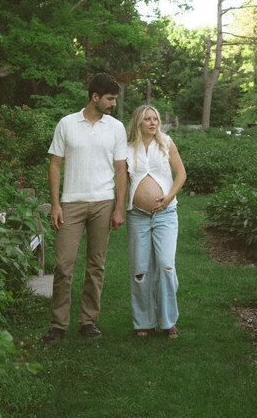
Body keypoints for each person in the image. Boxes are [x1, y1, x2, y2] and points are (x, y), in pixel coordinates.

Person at [41, 72, 127, 343]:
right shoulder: (67, 124)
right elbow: (55, 164)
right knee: (64, 265)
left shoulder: (116, 128)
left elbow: (121, 169)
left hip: (103, 202)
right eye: (110, 99)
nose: (113, 104)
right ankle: (58, 325)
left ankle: (88, 321)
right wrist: (55, 204)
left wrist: (119, 207)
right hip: (71, 203)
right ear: (95, 97)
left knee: (96, 265)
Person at [126, 103, 187, 339]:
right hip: (138, 216)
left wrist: (169, 197)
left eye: (155, 119)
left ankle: (168, 320)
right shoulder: (128, 147)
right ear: (138, 122)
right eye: (147, 119)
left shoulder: (166, 142)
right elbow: (122, 180)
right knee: (140, 270)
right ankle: (144, 321)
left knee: (165, 265)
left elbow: (181, 173)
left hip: (166, 215)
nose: (153, 123)